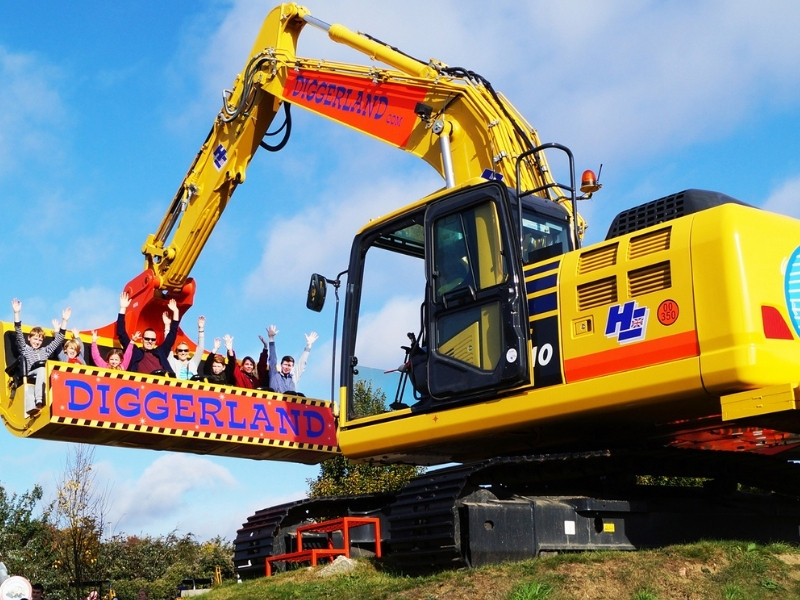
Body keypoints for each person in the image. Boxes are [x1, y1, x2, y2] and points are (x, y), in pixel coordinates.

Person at [12, 298, 71, 416]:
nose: (37, 342)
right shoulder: (25, 348)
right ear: (29, 338)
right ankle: (38, 401)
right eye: (35, 339)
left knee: (50, 371)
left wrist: (64, 321)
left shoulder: (45, 351)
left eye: (40, 340)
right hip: (29, 373)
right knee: (42, 369)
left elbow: (58, 339)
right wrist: (17, 313)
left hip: (42, 375)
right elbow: (18, 332)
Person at [116, 292, 180, 375]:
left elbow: (172, 334)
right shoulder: (134, 351)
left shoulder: (160, 352)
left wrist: (176, 311)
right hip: (143, 385)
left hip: (163, 385)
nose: (150, 341)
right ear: (142, 340)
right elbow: (121, 333)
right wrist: (123, 308)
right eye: (147, 339)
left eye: (153, 339)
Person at [266, 325, 318, 394]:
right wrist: (271, 338)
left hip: (289, 404)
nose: (287, 367)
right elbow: (272, 359)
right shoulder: (274, 375)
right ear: (281, 365)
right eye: (285, 364)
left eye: (289, 365)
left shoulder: (293, 378)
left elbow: (301, 364)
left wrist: (309, 345)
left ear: (292, 367)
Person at [165, 314, 206, 380]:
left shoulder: (193, 363)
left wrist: (201, 329)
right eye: (180, 350)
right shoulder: (173, 362)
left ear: (188, 352)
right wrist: (167, 326)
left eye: (185, 350)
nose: (183, 352)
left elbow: (200, 349)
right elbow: (167, 344)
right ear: (176, 352)